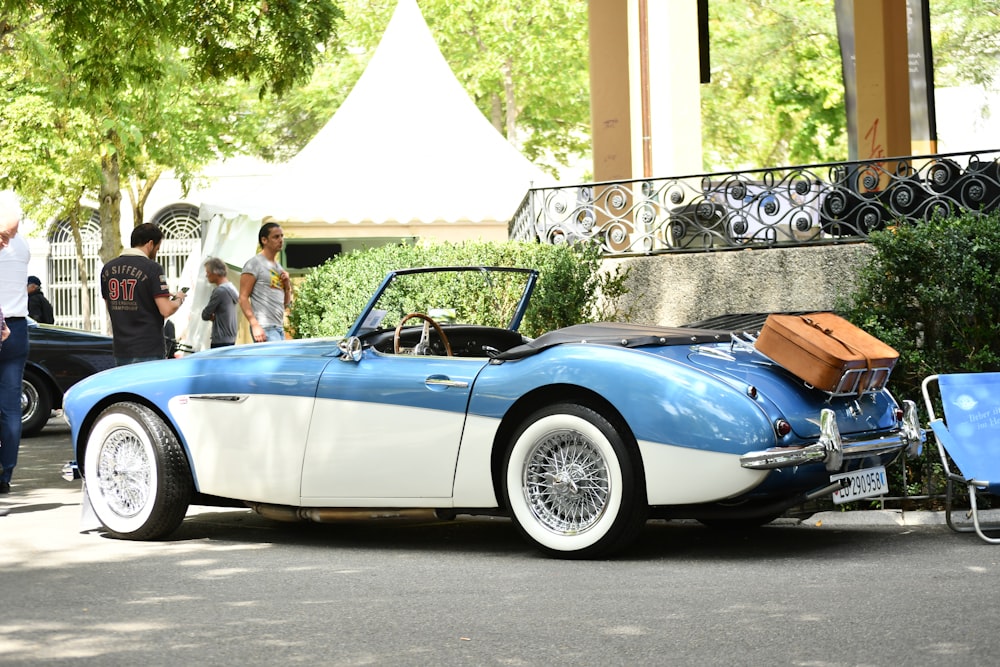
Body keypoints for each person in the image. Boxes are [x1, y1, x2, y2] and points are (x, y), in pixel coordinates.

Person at [100, 222, 187, 366]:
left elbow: (111, 306)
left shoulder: (107, 269)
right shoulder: (153, 268)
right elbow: (166, 309)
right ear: (150, 244)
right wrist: (178, 298)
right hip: (148, 349)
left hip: (121, 348)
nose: (156, 253)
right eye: (157, 249)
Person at [0, 190, 30, 494]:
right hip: (17, 327)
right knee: (10, 407)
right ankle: (5, 474)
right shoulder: (21, 245)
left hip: (5, 323)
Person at [239, 222, 291, 343]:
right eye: (276, 237)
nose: (281, 240)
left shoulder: (278, 267)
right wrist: (255, 325)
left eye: (282, 236)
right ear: (264, 240)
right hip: (264, 327)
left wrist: (287, 286)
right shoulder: (254, 264)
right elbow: (243, 297)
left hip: (278, 327)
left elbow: (286, 305)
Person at [201, 257, 239, 347]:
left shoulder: (219, 291)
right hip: (231, 338)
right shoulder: (232, 288)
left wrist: (212, 316)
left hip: (220, 339)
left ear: (215, 272)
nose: (206, 276)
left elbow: (205, 314)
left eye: (208, 273)